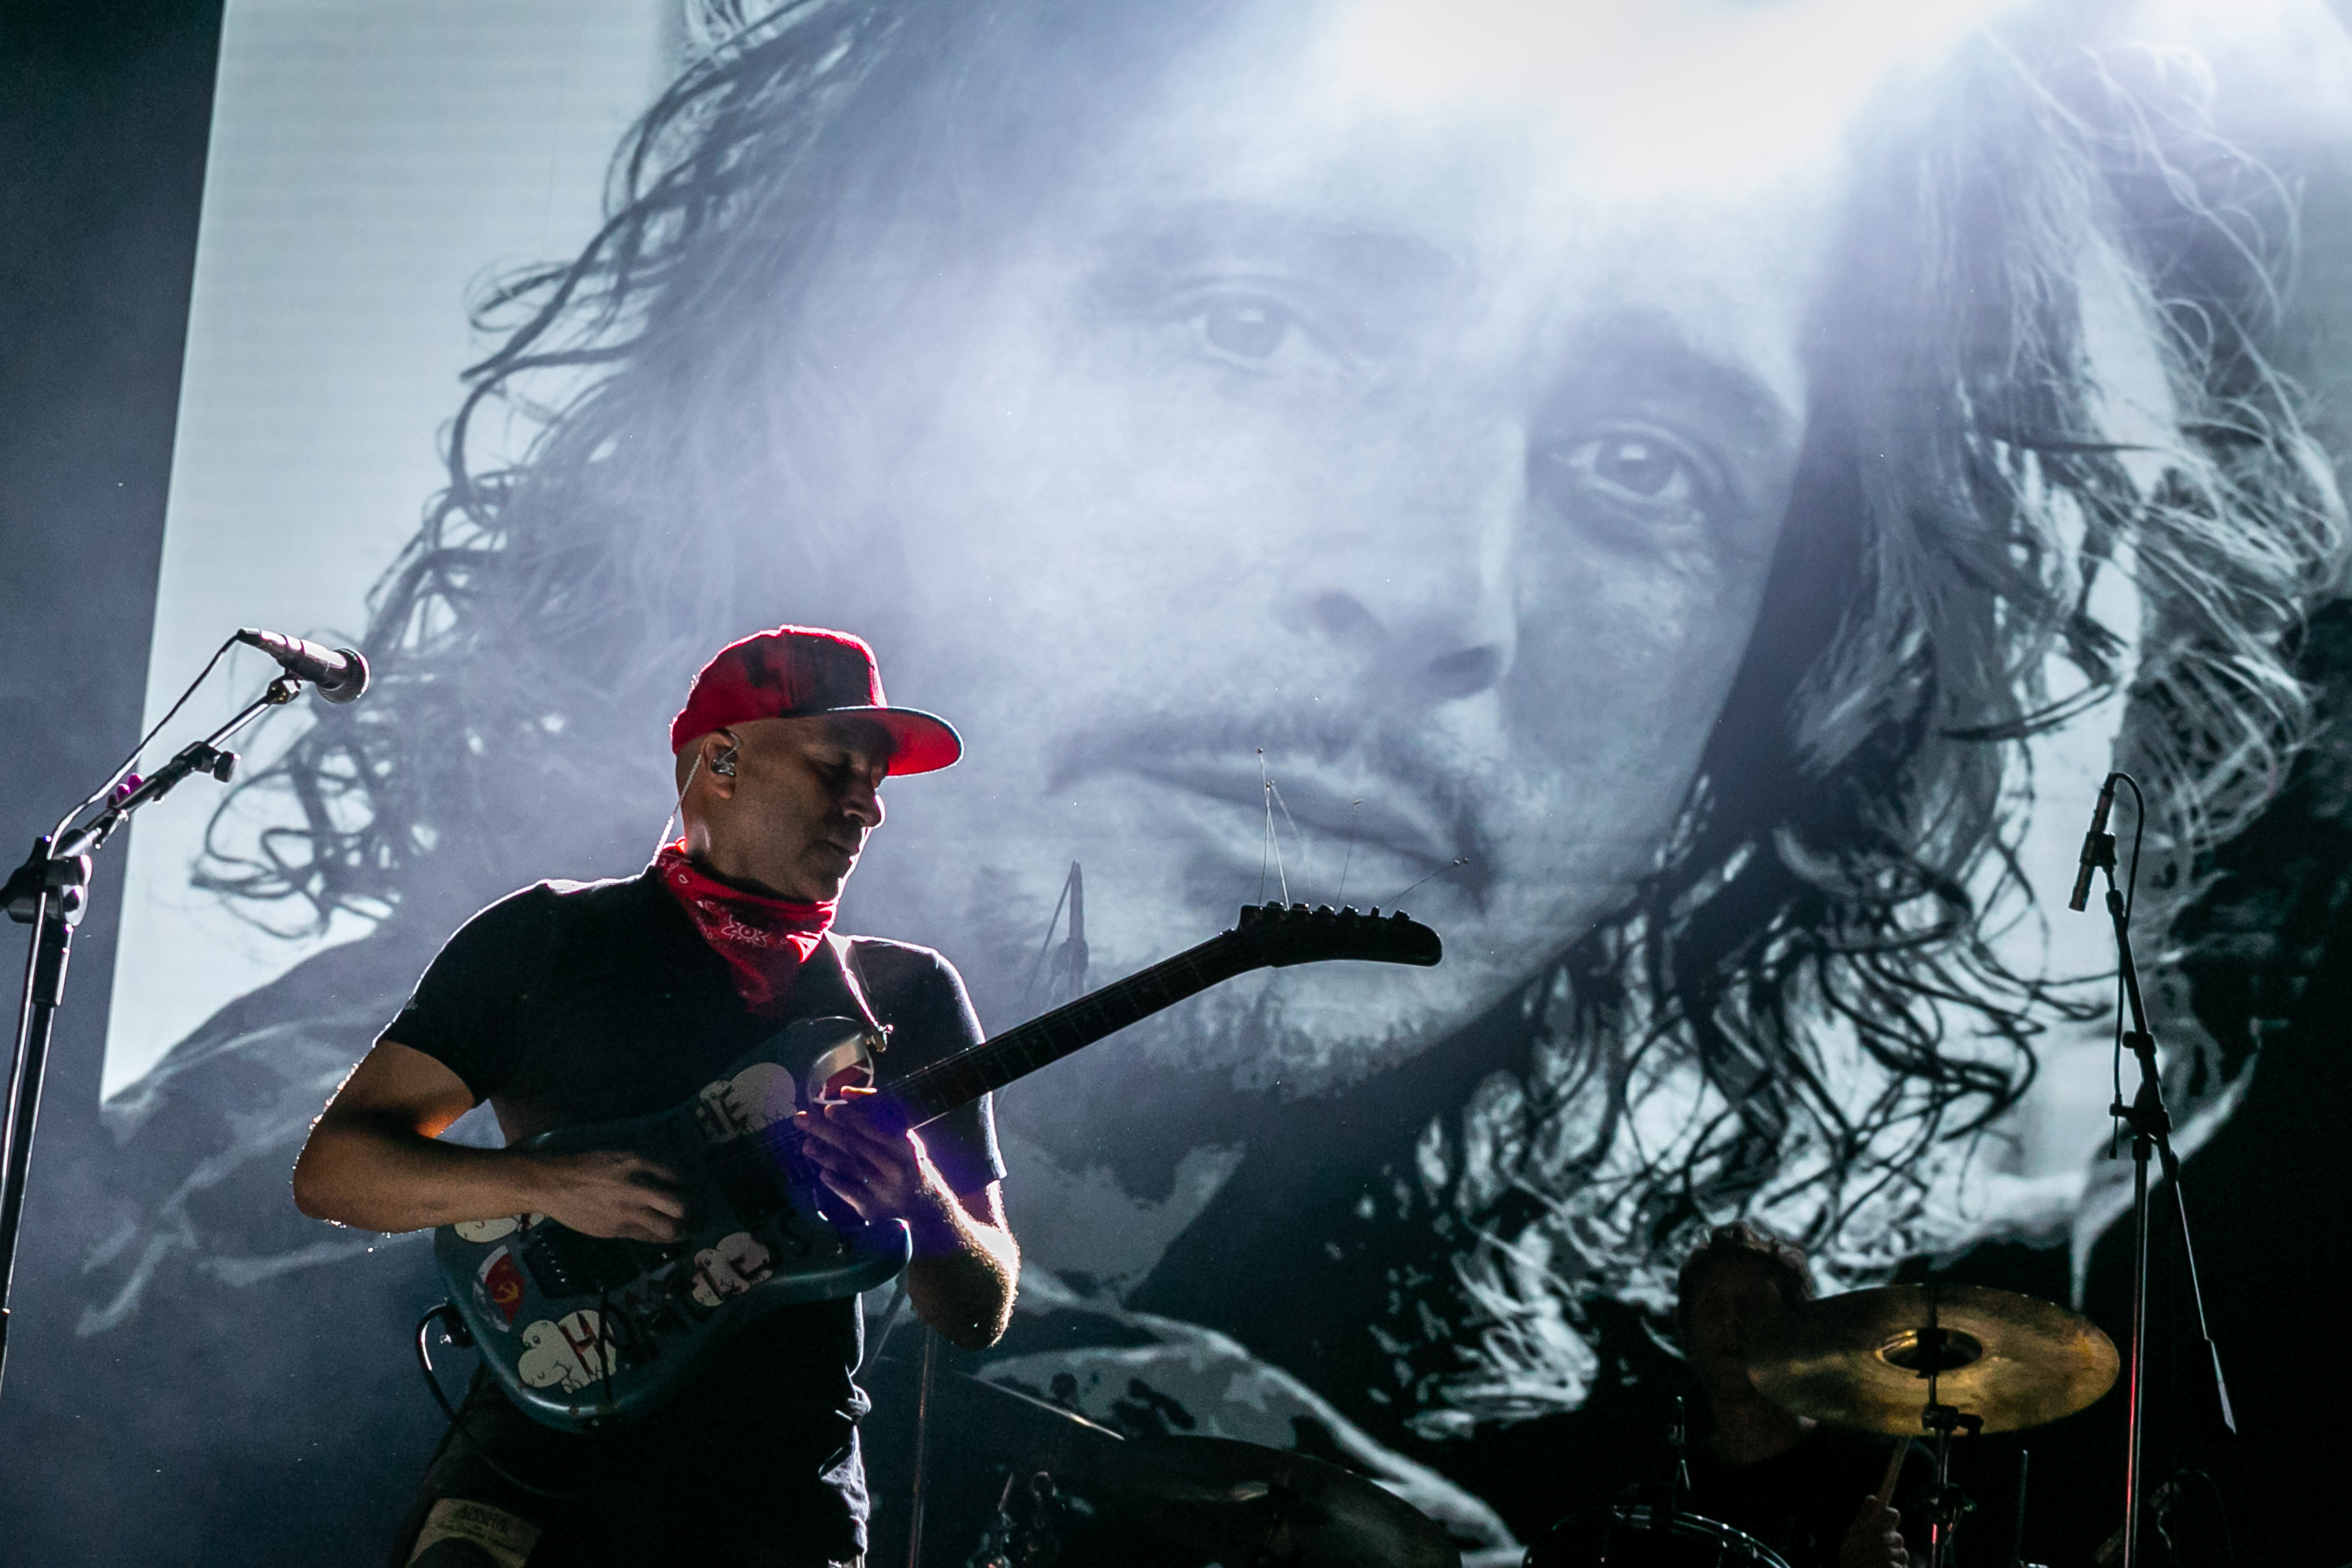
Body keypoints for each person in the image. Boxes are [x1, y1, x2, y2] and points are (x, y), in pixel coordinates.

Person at [50, 0, 2352, 1561]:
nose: (1429, 585)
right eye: (1252, 327)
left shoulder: (1498, 1381)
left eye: (1640, 461)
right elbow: (232, 1235)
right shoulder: (516, 989)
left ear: (1757, 708)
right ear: (866, 393)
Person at [290, 625, 1020, 1567]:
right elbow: (333, 1170)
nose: (865, 807)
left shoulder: (907, 993)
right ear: (721, 760)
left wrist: (924, 1206)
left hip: (779, 1499)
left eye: (874, 783)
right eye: (837, 767)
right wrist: (544, 1182)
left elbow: (979, 1306)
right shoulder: (549, 936)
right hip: (534, 1473)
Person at [1671, 1224, 1918, 1568]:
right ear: (1686, 1333)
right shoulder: (1669, 1500)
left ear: (1797, 1330)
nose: (1731, 1321)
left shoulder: (1878, 1471)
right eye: (1713, 1308)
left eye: (1753, 1305)